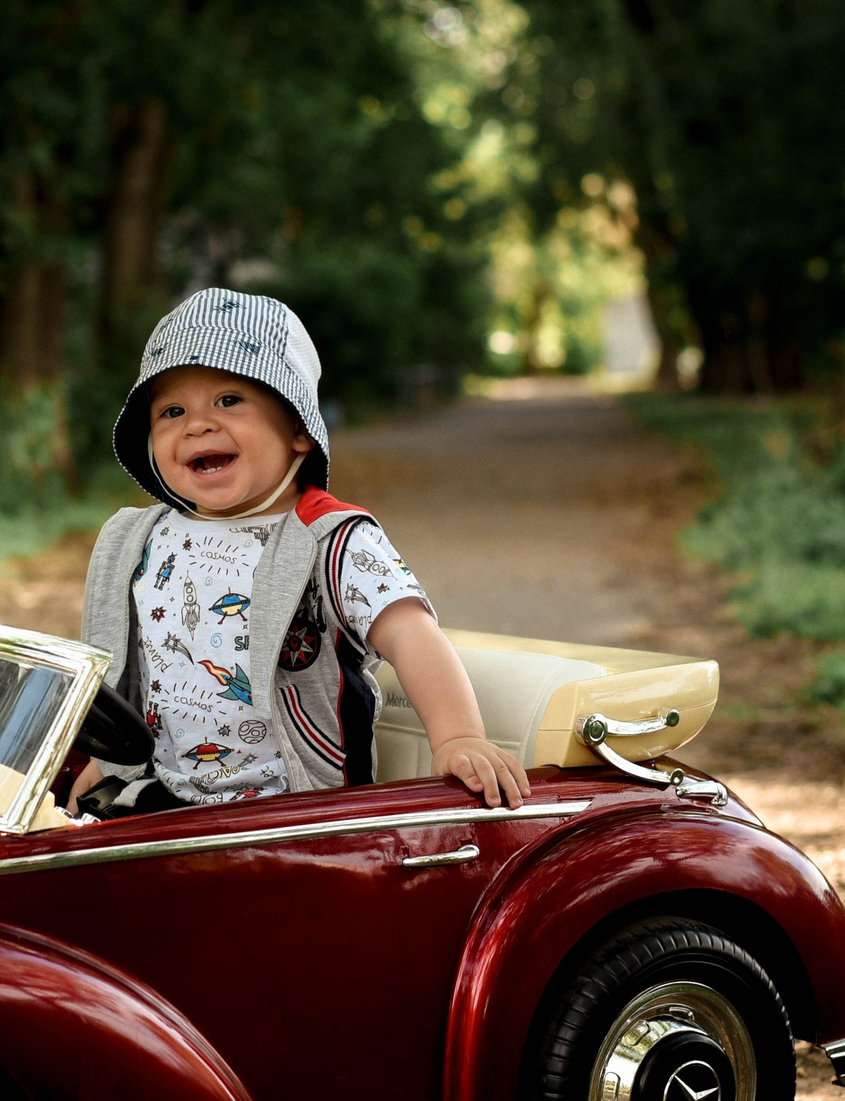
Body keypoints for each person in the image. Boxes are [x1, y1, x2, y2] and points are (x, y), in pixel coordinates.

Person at [72, 288, 528, 816]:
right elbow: (131, 669)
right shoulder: (142, 539)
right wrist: (106, 764)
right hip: (171, 794)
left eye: (228, 400)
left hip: (298, 809)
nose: (197, 424)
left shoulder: (328, 538)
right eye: (172, 411)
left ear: (298, 430)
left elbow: (409, 632)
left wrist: (457, 737)